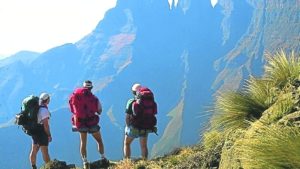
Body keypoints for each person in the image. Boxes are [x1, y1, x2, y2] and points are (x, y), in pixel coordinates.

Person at [69, 80, 108, 169]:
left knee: (83, 142)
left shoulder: (75, 96)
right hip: (92, 122)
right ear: (91, 88)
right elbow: (99, 111)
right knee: (99, 141)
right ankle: (103, 157)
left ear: (83, 87)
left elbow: (72, 109)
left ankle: (85, 162)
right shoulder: (94, 99)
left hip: (80, 122)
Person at [123, 83, 157, 160]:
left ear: (134, 92)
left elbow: (127, 117)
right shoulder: (149, 101)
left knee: (127, 143)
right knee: (144, 146)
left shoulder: (131, 102)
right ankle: (145, 162)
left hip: (134, 126)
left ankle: (127, 162)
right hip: (146, 126)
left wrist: (128, 127)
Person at [29, 92, 52, 169]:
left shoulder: (37, 108)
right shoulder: (44, 111)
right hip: (41, 132)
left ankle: (33, 166)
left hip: (34, 131)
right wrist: (49, 135)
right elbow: (46, 125)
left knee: (34, 150)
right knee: (45, 151)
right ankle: (49, 167)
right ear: (47, 100)